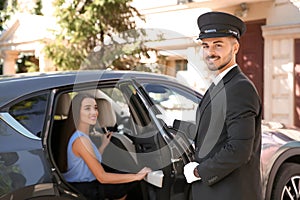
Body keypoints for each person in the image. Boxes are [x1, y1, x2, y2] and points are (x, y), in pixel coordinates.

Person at [183, 11, 262, 200]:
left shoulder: (239, 88)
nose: (210, 52)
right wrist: (180, 129)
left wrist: (198, 172)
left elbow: (239, 149)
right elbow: (218, 130)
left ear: (235, 48)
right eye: (206, 45)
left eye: (218, 45)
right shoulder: (221, 84)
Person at [61, 93, 151, 200]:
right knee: (125, 186)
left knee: (123, 182)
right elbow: (102, 177)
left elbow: (88, 163)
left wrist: (103, 146)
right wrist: (136, 176)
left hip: (86, 184)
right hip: (85, 189)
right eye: (87, 109)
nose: (94, 112)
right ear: (77, 112)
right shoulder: (81, 140)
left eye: (95, 108)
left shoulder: (81, 135)